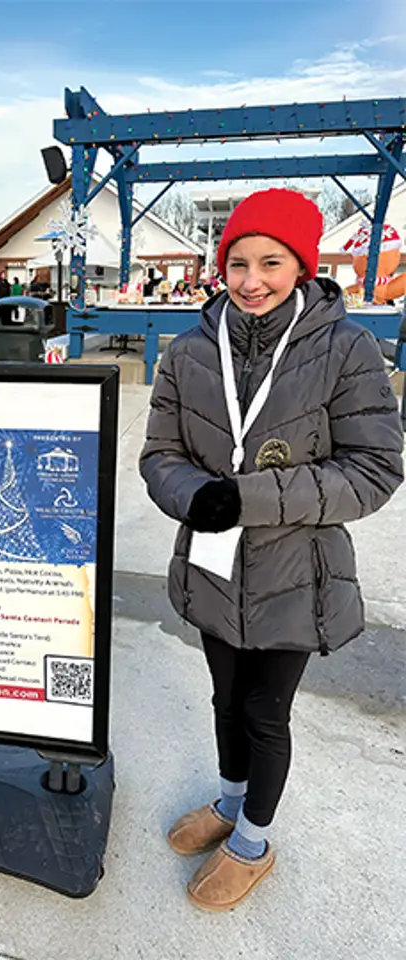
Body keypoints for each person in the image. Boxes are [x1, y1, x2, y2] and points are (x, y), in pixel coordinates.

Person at [140, 188, 403, 911]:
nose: (252, 280)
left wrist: (246, 498)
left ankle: (253, 843)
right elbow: (160, 452)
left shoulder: (346, 349)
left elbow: (374, 469)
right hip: (213, 569)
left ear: (302, 264)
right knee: (225, 699)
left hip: (297, 574)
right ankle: (229, 803)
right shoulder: (192, 348)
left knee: (265, 712)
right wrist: (194, 495)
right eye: (238, 263)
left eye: (272, 261)